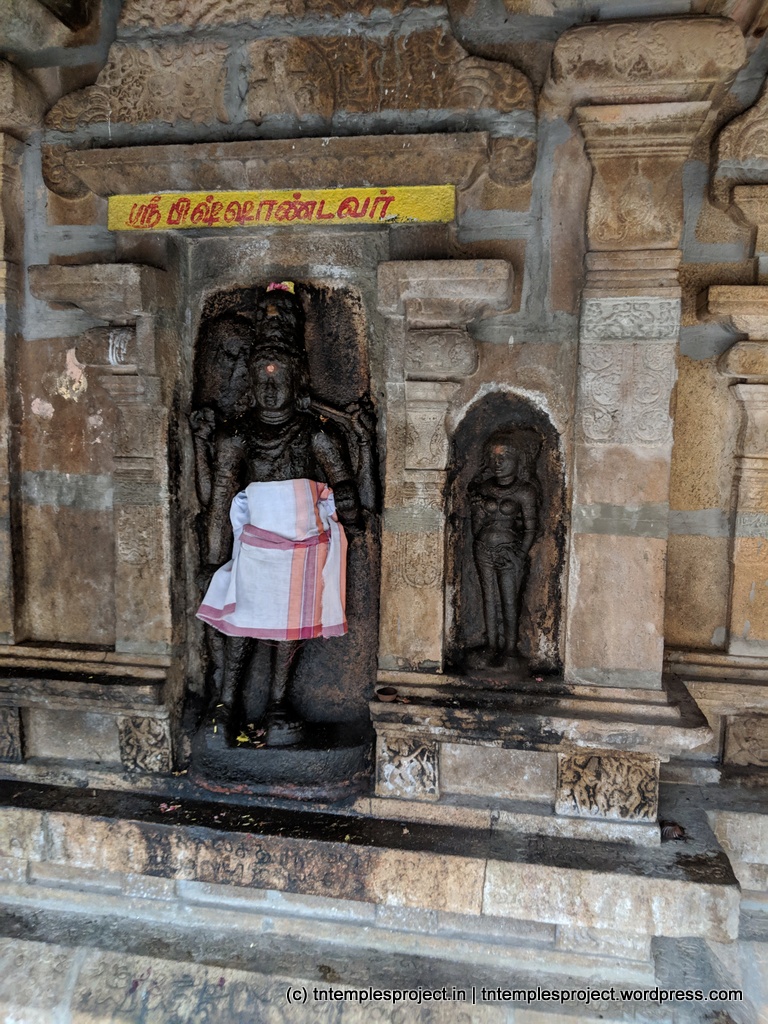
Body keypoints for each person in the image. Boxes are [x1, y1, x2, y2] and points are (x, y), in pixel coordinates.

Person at [196, 289, 361, 746]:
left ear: (298, 379)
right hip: (254, 545)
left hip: (304, 544)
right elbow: (218, 501)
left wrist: (351, 503)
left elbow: (343, 482)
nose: (269, 391)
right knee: (240, 621)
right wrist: (213, 557)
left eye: (279, 377)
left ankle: (277, 702)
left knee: (290, 626)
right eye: (261, 379)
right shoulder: (237, 435)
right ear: (249, 382)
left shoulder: (315, 433)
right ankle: (226, 702)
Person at [466, 429, 539, 671]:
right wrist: (477, 511)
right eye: (493, 457)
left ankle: (510, 649)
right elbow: (476, 528)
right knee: (488, 597)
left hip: (509, 551)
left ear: (518, 460)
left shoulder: (524, 491)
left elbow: (531, 528)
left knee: (509, 600)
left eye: (504, 457)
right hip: (483, 547)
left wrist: (520, 554)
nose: (497, 463)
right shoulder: (484, 488)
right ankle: (491, 645)